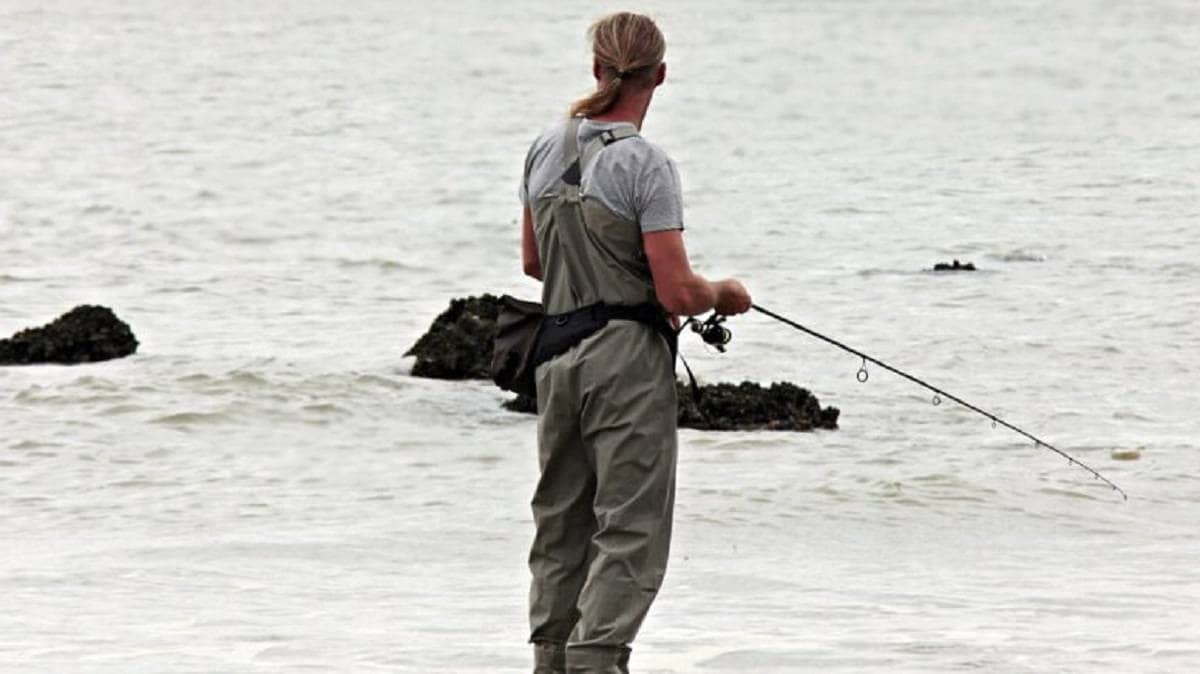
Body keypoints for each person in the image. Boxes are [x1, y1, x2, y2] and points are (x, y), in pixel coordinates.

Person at [518, 12, 752, 674]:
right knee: (629, 530)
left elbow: (535, 264)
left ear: (597, 68)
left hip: (556, 357)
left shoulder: (544, 148)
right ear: (661, 75)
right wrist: (725, 293)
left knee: (560, 524)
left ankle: (551, 662)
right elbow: (678, 293)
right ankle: (598, 661)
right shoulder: (646, 164)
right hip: (625, 362)